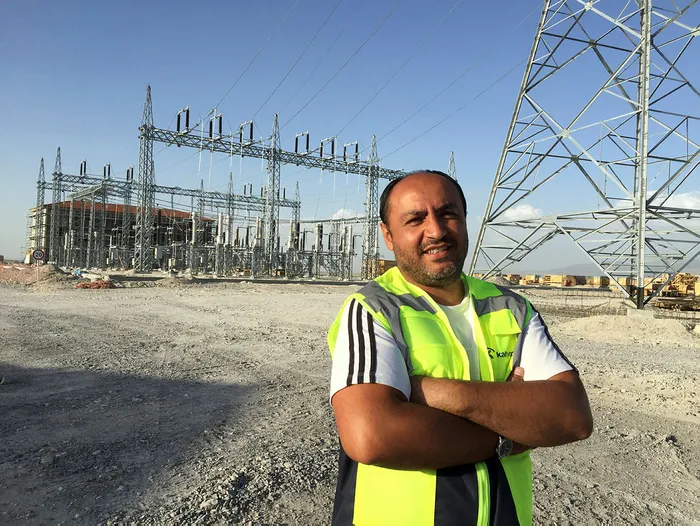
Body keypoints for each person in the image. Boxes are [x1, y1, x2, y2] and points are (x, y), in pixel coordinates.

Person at [327, 170, 592, 525]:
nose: (436, 231)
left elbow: (573, 415)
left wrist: (438, 393)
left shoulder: (510, 308)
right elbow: (371, 436)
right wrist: (509, 432)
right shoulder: (373, 310)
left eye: (448, 213)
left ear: (466, 221)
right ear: (388, 235)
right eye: (415, 219)